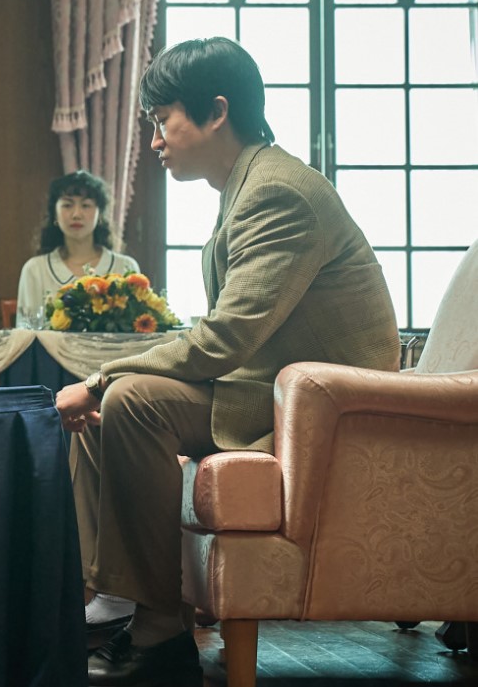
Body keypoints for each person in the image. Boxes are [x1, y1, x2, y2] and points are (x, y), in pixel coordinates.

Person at [55, 38, 399, 685]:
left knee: (128, 399)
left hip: (322, 410)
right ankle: (120, 598)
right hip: (270, 389)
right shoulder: (247, 186)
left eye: (162, 120)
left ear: (216, 112)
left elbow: (224, 338)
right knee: (106, 417)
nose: (154, 140)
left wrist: (100, 378)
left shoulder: (278, 192)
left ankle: (159, 633)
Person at [16, 170, 140, 323]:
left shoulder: (126, 267)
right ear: (55, 214)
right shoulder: (35, 270)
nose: (76, 214)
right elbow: (27, 330)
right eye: (67, 205)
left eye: (86, 205)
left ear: (100, 214)